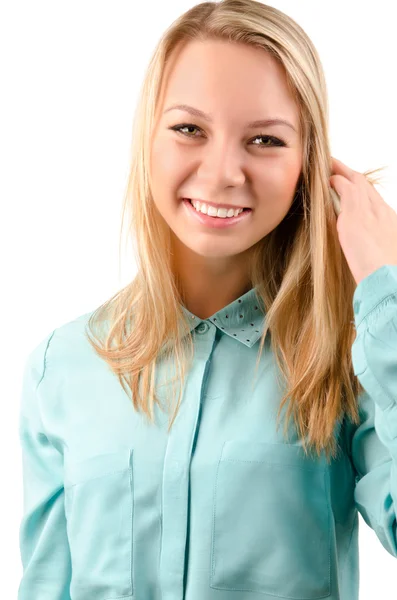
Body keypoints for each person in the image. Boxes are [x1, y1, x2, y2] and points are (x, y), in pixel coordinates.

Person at [17, 1, 397, 599]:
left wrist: (385, 286)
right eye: (189, 128)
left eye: (265, 139)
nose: (222, 173)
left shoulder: (352, 355)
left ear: (309, 164)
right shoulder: (59, 368)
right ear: (148, 139)